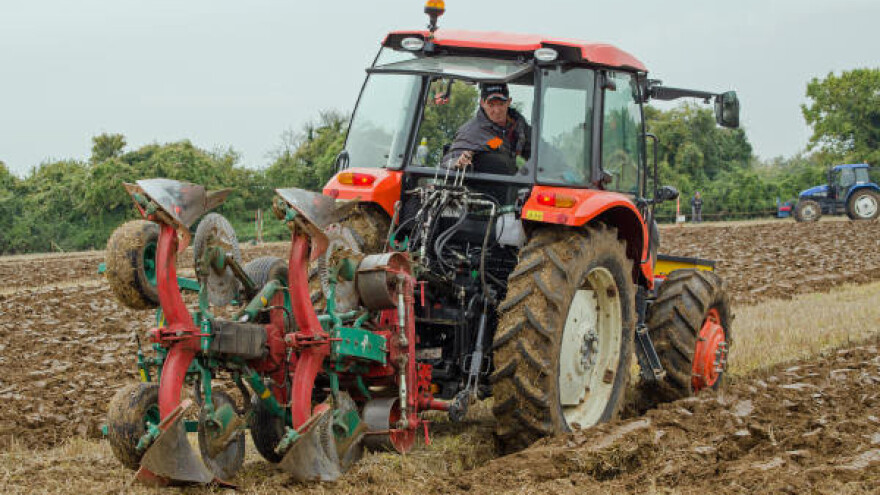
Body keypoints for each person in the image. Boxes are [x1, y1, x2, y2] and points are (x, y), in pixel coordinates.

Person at [442, 82, 531, 174]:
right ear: (482, 103)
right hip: (485, 184)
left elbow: (539, 150)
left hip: (514, 181)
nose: (497, 111)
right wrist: (458, 162)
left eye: (501, 104)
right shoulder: (471, 132)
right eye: (491, 105)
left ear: (509, 102)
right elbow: (450, 159)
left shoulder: (518, 125)